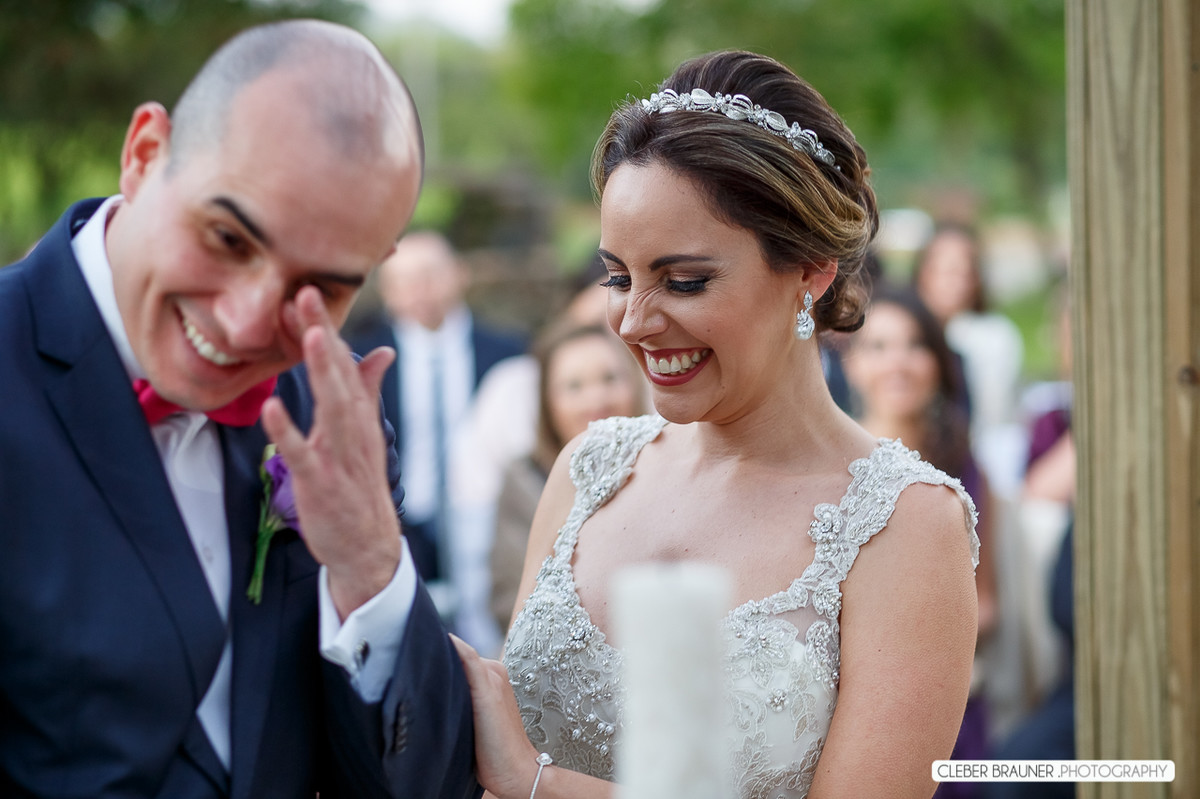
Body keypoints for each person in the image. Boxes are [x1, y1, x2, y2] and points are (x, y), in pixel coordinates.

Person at [451, 50, 981, 799]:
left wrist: (537, 784)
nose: (633, 321)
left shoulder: (906, 525)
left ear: (810, 269)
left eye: (685, 280)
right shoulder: (587, 470)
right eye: (617, 275)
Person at [0, 20, 478, 799]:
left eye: (321, 286)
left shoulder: (337, 418)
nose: (249, 322)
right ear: (144, 154)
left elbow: (426, 786)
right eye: (227, 237)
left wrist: (369, 568)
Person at [841, 287, 999, 799]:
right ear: (851, 365)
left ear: (937, 361)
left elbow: (989, 602)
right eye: (879, 347)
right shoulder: (833, 470)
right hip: (848, 699)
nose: (899, 364)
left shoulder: (966, 467)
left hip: (948, 697)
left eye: (915, 346)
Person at [345, 231, 526, 629]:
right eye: (404, 280)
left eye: (430, 274)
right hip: (402, 519)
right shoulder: (361, 357)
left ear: (460, 274)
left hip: (488, 521)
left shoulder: (509, 352)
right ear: (387, 291)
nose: (419, 289)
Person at [488, 321, 644, 633]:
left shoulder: (669, 464)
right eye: (574, 386)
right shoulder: (524, 479)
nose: (596, 400)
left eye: (610, 378)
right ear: (549, 402)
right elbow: (508, 599)